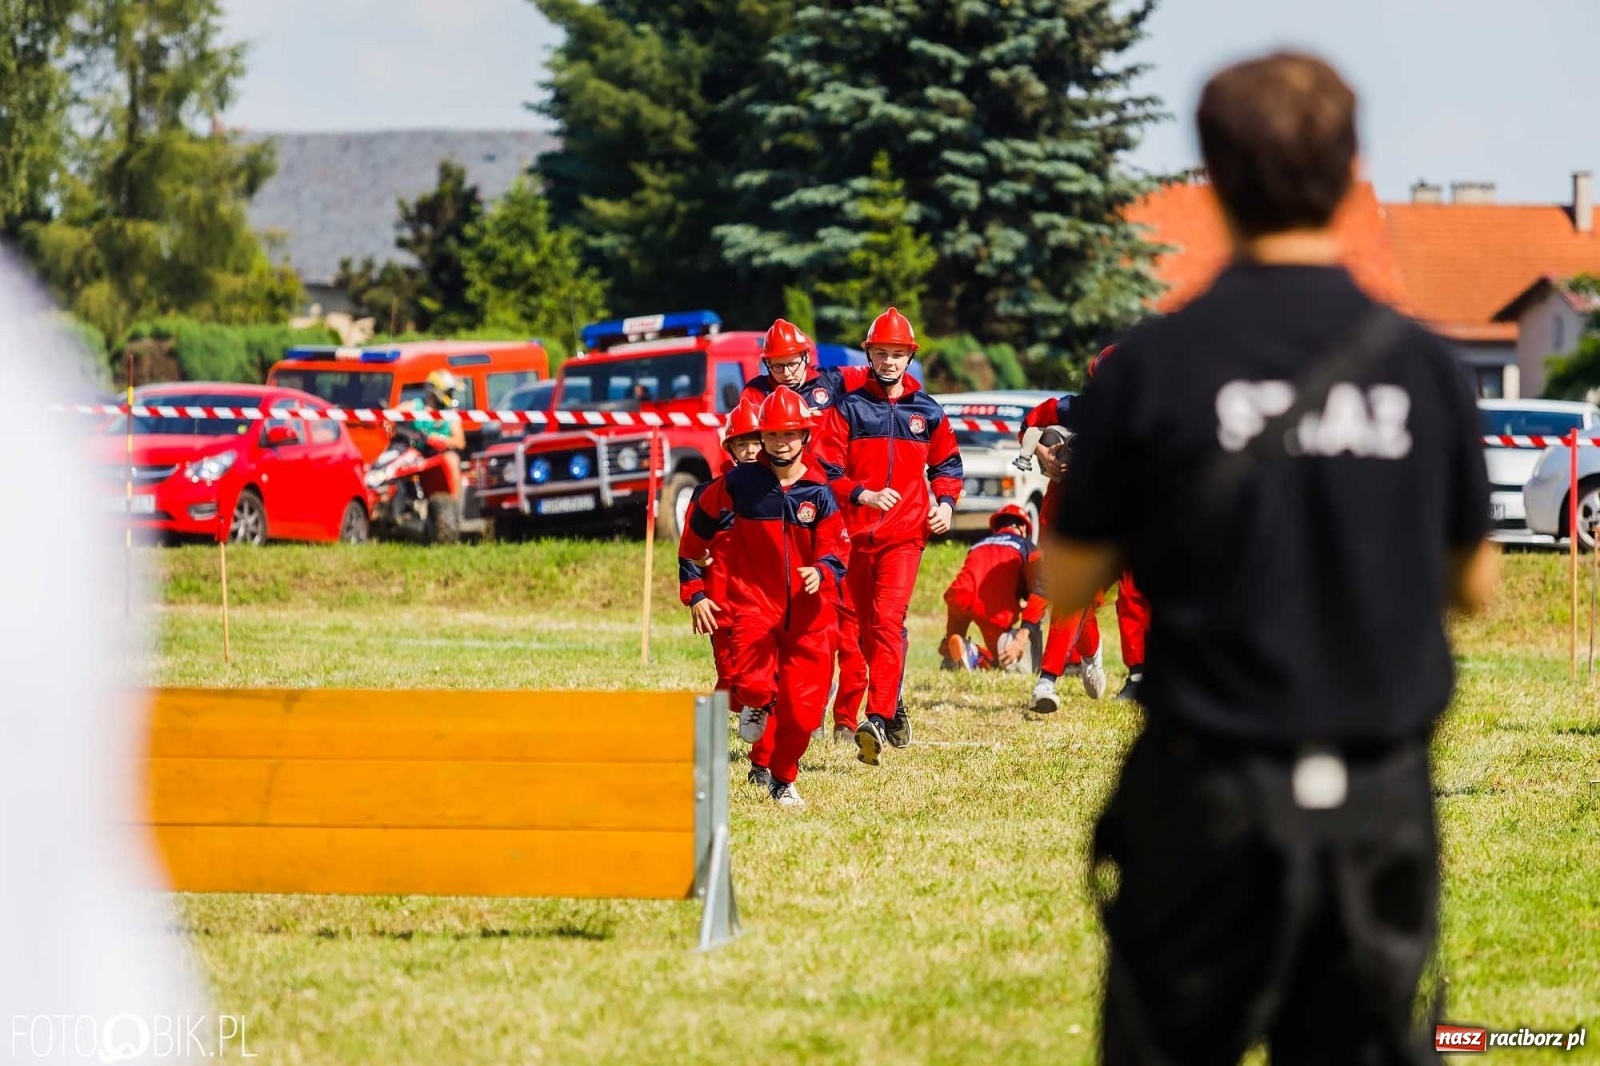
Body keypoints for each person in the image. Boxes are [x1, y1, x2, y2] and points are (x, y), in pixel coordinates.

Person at [1043, 52, 1498, 1064]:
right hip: (1377, 799)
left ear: (1210, 172)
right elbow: (1474, 586)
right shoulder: (1421, 364)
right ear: (1348, 171)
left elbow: (1065, 583)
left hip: (1207, 794)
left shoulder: (1152, 366)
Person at [678, 386, 849, 808]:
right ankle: (756, 704)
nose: (780, 442)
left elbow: (838, 546)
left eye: (790, 434)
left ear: (805, 437)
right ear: (762, 438)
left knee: (805, 713)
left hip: (811, 616)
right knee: (751, 683)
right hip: (754, 604)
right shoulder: (739, 484)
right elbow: (696, 524)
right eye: (772, 435)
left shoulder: (819, 491)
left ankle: (783, 778)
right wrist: (694, 575)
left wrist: (822, 569)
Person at [815, 306, 963, 766]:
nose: (890, 361)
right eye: (882, 353)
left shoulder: (928, 411)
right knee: (860, 632)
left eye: (898, 354)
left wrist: (945, 504)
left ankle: (875, 719)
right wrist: (862, 494)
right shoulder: (848, 408)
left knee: (886, 620)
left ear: (909, 357)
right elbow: (826, 469)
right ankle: (894, 703)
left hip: (906, 533)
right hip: (855, 535)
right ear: (870, 355)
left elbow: (948, 466)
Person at [742, 318, 870, 741]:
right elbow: (741, 438)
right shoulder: (755, 393)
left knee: (848, 622)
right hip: (780, 514)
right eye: (776, 366)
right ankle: (786, 701)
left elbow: (883, 376)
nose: (786, 373)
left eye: (791, 363)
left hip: (832, 511)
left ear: (805, 358)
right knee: (785, 614)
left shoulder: (831, 382)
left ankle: (848, 718)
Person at [1019, 399, 1108, 711]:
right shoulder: (1069, 407)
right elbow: (1027, 426)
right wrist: (1046, 456)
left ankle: (1091, 650)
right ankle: (1047, 680)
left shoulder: (1150, 414)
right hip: (1065, 509)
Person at [679, 400, 764, 693]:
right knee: (731, 681)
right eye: (742, 444)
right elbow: (689, 548)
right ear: (731, 449)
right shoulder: (710, 494)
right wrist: (696, 595)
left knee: (769, 676)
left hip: (768, 607)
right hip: (722, 607)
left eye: (756, 442)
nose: (751, 451)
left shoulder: (785, 491)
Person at [940, 504, 1047, 672]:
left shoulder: (980, 543)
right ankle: (975, 654)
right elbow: (1039, 590)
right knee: (1001, 660)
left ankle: (950, 656)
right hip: (992, 605)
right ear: (1024, 527)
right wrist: (1022, 636)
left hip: (959, 595)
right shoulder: (1026, 546)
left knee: (954, 640)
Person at [407, 369, 467, 498]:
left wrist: (438, 439)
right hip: (415, 452)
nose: (451, 395)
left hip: (438, 455)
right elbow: (390, 415)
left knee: (452, 459)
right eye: (448, 392)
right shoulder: (416, 406)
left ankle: (454, 505)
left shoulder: (450, 413)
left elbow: (460, 442)